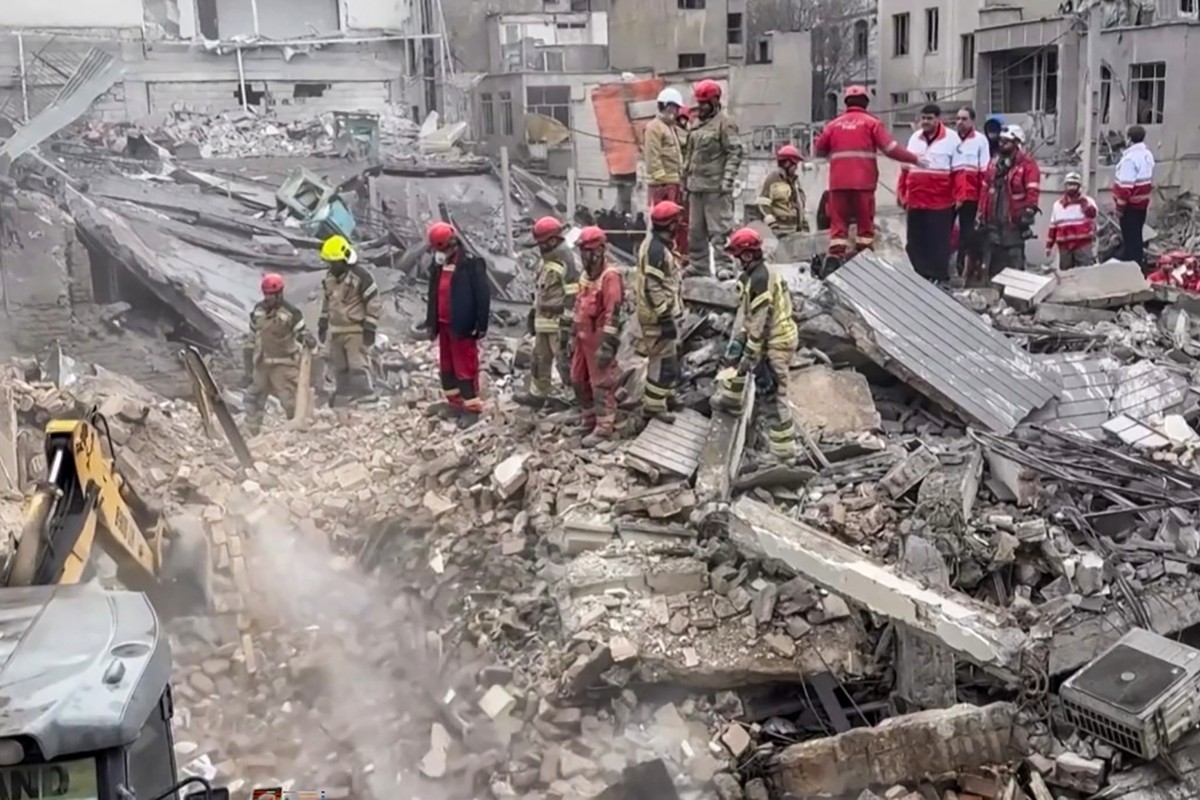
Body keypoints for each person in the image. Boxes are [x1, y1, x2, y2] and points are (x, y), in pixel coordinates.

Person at [712, 227, 799, 464]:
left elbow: (760, 320)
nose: (737, 261)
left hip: (777, 341)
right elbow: (749, 316)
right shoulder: (755, 276)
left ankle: (784, 451)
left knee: (772, 393)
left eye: (738, 256)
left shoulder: (761, 278)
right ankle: (731, 396)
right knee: (738, 360)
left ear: (748, 255)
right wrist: (739, 343)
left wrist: (749, 351)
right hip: (768, 336)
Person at [813, 85, 921, 275]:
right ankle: (864, 263)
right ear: (866, 102)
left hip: (838, 184)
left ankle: (834, 258)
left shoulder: (833, 125)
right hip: (863, 184)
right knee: (864, 227)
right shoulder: (872, 123)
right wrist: (915, 159)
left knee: (838, 228)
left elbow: (819, 151)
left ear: (846, 103)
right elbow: (891, 148)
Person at [424, 221, 490, 429]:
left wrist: (481, 324)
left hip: (463, 325)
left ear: (449, 245)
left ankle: (472, 408)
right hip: (444, 326)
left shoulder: (471, 264)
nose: (437, 253)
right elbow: (434, 294)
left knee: (465, 369)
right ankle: (455, 403)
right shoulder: (439, 265)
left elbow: (483, 295)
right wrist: (430, 323)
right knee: (447, 367)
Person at [516, 216, 578, 410]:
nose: (539, 247)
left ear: (552, 240)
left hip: (559, 322)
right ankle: (537, 394)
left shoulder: (566, 259)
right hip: (544, 321)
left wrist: (567, 324)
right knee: (539, 359)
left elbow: (573, 295)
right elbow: (542, 291)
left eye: (541, 243)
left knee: (564, 362)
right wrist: (534, 313)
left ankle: (573, 398)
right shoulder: (548, 259)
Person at [684, 79, 743, 278]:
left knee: (720, 231)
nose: (700, 107)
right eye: (698, 103)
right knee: (695, 232)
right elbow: (690, 154)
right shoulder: (696, 124)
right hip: (696, 187)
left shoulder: (725, 124)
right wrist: (686, 180)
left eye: (704, 103)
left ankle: (724, 265)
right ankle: (699, 265)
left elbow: (734, 152)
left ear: (714, 102)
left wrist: (727, 181)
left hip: (716, 188)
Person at [572, 226, 625, 447]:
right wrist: (570, 335)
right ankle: (589, 418)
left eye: (589, 251)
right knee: (577, 379)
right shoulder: (585, 276)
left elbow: (614, 312)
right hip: (581, 339)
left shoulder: (609, 277)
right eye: (583, 251)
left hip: (598, 340)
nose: (585, 257)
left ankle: (604, 428)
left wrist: (607, 345)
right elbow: (577, 304)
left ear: (601, 250)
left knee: (601, 384)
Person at [243, 273, 314, 434]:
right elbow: (252, 336)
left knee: (290, 401)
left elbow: (301, 333)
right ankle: (251, 433)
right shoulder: (258, 310)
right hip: (262, 365)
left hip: (283, 365)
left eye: (272, 295)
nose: (268, 298)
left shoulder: (291, 313)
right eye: (266, 294)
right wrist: (248, 363)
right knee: (253, 400)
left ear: (280, 294)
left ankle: (297, 433)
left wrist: (308, 340)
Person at [635, 200, 686, 424]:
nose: (679, 225)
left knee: (670, 359)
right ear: (669, 224)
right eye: (676, 222)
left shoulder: (659, 245)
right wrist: (665, 317)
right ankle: (653, 408)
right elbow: (652, 286)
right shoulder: (656, 250)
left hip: (662, 313)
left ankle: (666, 397)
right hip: (657, 317)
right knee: (662, 363)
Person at [318, 235, 382, 406]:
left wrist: (370, 325)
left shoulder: (360, 276)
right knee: (339, 365)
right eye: (329, 262)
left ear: (344, 259)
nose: (331, 266)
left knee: (357, 364)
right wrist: (323, 322)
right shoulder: (330, 278)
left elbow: (373, 301)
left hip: (355, 329)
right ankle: (345, 396)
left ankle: (366, 396)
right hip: (336, 329)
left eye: (334, 262)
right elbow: (327, 301)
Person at [899, 103, 959, 283]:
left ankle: (938, 277)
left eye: (929, 118)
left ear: (938, 119)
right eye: (923, 118)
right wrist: (902, 193)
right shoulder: (914, 138)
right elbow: (905, 169)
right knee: (915, 241)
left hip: (940, 202)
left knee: (938, 241)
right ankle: (918, 276)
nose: (925, 122)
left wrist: (959, 196)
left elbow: (959, 172)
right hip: (916, 200)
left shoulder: (952, 139)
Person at [978, 125, 1041, 277]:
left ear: (1016, 143)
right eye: (1000, 141)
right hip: (993, 220)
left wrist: (1029, 210)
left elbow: (1032, 189)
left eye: (1006, 142)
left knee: (1014, 259)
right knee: (994, 262)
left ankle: (1015, 297)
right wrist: (981, 212)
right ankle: (996, 294)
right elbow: (985, 188)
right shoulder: (994, 163)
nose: (1001, 144)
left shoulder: (1027, 165)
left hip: (1013, 221)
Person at [645, 88, 688, 259]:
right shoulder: (654, 128)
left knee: (675, 222)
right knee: (664, 222)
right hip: (662, 185)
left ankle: (674, 253)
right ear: (667, 106)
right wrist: (662, 180)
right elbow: (653, 156)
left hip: (673, 182)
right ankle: (661, 254)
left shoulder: (669, 128)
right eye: (675, 108)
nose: (677, 112)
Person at [952, 106, 990, 278]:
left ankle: (964, 267)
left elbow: (985, 171)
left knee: (968, 234)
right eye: (958, 118)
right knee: (945, 230)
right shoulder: (950, 139)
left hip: (972, 196)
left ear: (972, 121)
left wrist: (983, 200)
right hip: (952, 195)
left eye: (964, 118)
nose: (960, 122)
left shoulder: (980, 141)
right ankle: (949, 265)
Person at [1113, 124, 1155, 266]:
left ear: (1129, 139)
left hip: (1130, 206)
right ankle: (1138, 264)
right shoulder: (1147, 155)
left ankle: (1133, 270)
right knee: (1137, 237)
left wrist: (1119, 208)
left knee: (1130, 240)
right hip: (1142, 205)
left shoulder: (1130, 159)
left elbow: (1125, 188)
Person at [1046, 172, 1099, 270]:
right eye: (1069, 184)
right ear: (1065, 186)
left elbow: (1093, 215)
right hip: (1065, 247)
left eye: (1074, 185)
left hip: (1083, 245)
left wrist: (1084, 204)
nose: (1071, 188)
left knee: (1086, 272)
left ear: (1079, 186)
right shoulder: (1058, 205)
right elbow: (1053, 227)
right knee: (1066, 275)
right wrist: (1049, 246)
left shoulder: (1088, 202)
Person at [756, 144, 809, 235]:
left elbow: (800, 206)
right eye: (795, 164)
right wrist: (773, 226)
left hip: (795, 232)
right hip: (778, 232)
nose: (796, 168)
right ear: (787, 163)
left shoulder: (795, 183)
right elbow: (762, 205)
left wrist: (804, 226)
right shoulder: (772, 181)